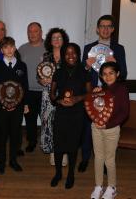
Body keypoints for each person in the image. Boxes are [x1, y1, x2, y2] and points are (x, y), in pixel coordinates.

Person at [79, 14, 128, 173]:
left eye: (109, 26)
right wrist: (86, 66)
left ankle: (107, 163)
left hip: (111, 96)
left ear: (112, 29)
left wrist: (116, 64)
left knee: (108, 127)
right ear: (97, 29)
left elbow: (124, 74)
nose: (105, 29)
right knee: (88, 127)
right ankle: (85, 158)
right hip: (92, 94)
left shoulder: (119, 49)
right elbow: (81, 74)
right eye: (102, 26)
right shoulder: (88, 48)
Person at [49, 43, 91, 189]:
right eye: (67, 53)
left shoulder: (84, 72)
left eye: (73, 53)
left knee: (73, 147)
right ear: (62, 55)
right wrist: (58, 100)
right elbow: (52, 94)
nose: (70, 56)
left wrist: (76, 99)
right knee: (59, 145)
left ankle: (71, 174)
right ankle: (58, 173)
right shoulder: (58, 72)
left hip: (77, 113)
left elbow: (89, 94)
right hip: (61, 113)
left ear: (78, 55)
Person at [90, 62, 129, 199]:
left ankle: (112, 187)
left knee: (109, 159)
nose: (108, 76)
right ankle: (98, 185)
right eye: (104, 74)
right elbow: (93, 108)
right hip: (96, 128)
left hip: (111, 129)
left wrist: (107, 125)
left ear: (117, 74)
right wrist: (92, 95)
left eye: (111, 73)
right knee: (98, 157)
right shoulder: (100, 89)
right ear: (101, 76)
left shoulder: (122, 89)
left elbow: (124, 113)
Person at [0, 37, 29, 174]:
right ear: (2, 50)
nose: (9, 50)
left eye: (11, 47)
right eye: (5, 47)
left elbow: (24, 86)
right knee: (2, 135)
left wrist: (24, 103)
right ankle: (1, 162)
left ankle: (13, 160)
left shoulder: (22, 66)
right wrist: (1, 103)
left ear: (15, 48)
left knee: (15, 134)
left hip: (17, 107)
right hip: (2, 108)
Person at [40, 28, 69, 166]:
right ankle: (52, 151)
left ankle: (63, 152)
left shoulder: (69, 55)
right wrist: (42, 81)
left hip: (64, 94)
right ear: (49, 41)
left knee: (63, 123)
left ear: (64, 40)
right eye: (54, 38)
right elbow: (39, 75)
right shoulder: (46, 56)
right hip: (48, 94)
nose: (57, 40)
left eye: (59, 37)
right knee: (49, 123)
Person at [18, 22, 45, 153]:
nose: (32, 34)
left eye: (35, 31)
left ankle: (46, 142)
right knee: (30, 119)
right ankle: (32, 142)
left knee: (46, 118)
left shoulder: (49, 47)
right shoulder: (22, 49)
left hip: (45, 91)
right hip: (28, 91)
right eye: (30, 31)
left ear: (41, 32)